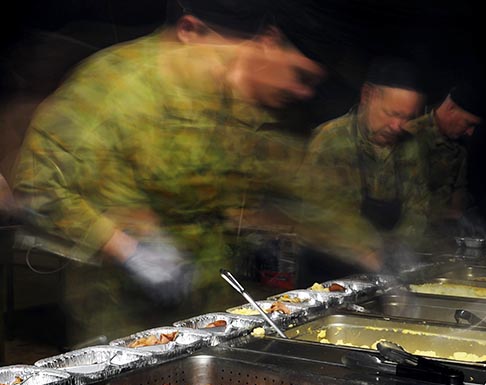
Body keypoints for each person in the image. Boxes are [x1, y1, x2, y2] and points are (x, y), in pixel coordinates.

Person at [12, 0, 325, 347]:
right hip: (121, 309)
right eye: (225, 59)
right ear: (189, 30)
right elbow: (39, 186)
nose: (231, 74)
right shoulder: (114, 83)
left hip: (208, 299)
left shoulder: (218, 93)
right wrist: (128, 249)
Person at [295, 56, 428, 280]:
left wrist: (400, 248)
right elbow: (316, 218)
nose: (398, 126)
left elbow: (418, 211)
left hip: (383, 273)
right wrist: (362, 251)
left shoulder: (410, 147)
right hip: (326, 275)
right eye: (392, 113)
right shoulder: (330, 140)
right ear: (367, 95)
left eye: (407, 118)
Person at [404, 81, 486, 247]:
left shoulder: (458, 146)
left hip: (442, 243)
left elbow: (459, 189)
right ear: (451, 108)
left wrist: (462, 218)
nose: (470, 132)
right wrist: (454, 215)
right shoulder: (411, 137)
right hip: (410, 243)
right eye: (468, 123)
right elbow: (408, 202)